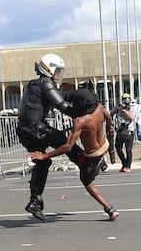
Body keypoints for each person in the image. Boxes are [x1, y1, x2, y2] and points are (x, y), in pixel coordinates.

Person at [29, 89, 119, 221]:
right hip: (104, 146)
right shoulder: (99, 108)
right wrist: (110, 129)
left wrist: (45, 156)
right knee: (82, 159)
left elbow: (67, 147)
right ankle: (99, 165)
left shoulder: (80, 121)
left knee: (86, 181)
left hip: (92, 154)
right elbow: (109, 118)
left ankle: (109, 208)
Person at [16, 54, 87, 221]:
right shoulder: (45, 82)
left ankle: (35, 201)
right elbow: (61, 104)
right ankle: (87, 163)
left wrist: (75, 94)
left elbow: (59, 95)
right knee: (65, 142)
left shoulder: (32, 84)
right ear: (48, 69)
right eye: (57, 71)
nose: (59, 75)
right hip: (36, 129)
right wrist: (82, 114)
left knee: (42, 162)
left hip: (24, 130)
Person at [110, 93, 138, 173]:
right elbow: (110, 113)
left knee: (128, 150)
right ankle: (124, 163)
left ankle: (128, 166)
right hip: (120, 131)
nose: (126, 101)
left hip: (129, 130)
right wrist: (111, 122)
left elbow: (132, 117)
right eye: (124, 99)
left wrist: (124, 110)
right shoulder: (118, 107)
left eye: (127, 99)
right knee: (118, 148)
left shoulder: (132, 107)